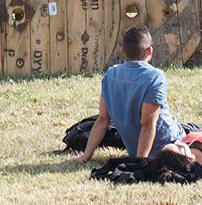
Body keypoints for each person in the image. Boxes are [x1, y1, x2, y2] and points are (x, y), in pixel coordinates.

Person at [71, 26, 186, 162]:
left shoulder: (111, 74)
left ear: (123, 51)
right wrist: (139, 163)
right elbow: (148, 124)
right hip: (168, 145)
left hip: (135, 147)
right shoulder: (155, 76)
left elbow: (102, 119)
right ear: (149, 50)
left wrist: (86, 156)